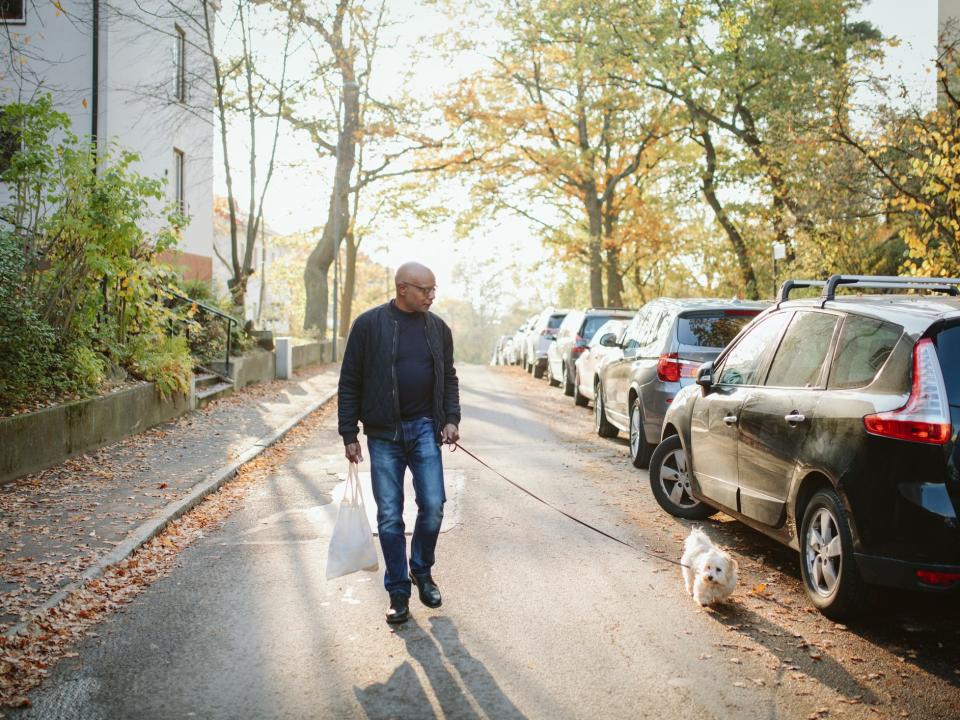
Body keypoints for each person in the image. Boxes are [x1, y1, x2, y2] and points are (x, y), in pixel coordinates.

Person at [338, 262, 461, 625]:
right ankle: (398, 592)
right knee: (390, 516)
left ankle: (421, 570)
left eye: (434, 289)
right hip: (382, 434)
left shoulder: (438, 329)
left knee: (434, 505)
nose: (431, 296)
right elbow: (350, 381)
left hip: (425, 429)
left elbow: (449, 377)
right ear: (402, 288)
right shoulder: (368, 325)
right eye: (425, 290)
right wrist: (349, 433)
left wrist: (451, 419)